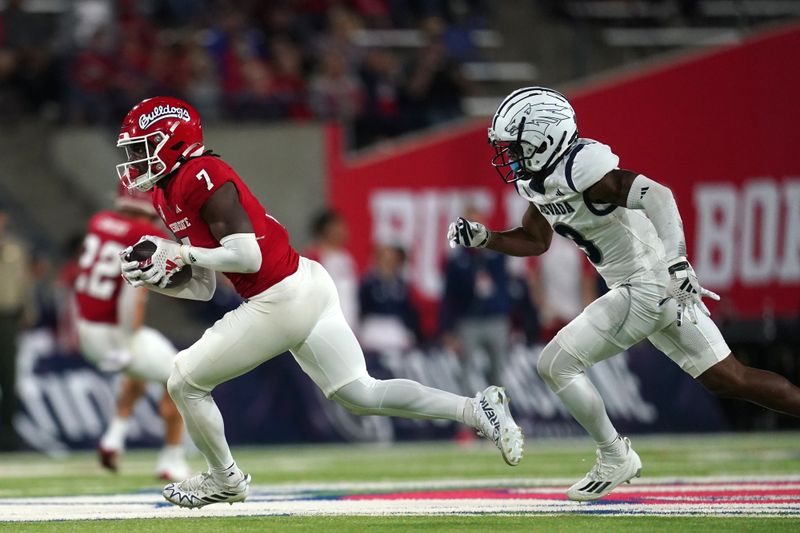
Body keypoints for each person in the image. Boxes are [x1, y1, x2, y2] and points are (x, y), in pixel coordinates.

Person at [114, 96, 524, 509]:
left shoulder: (200, 173)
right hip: (303, 284)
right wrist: (157, 277)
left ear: (172, 142)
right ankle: (477, 410)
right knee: (360, 393)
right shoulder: (169, 193)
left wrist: (180, 254)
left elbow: (247, 257)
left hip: (279, 296)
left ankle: (225, 479)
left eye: (140, 148)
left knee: (185, 379)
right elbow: (202, 286)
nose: (134, 161)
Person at [448, 86, 800, 502]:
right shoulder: (540, 180)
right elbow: (534, 239)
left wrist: (678, 260)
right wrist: (486, 238)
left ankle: (615, 455)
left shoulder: (584, 168)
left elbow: (658, 195)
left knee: (555, 364)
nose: (511, 157)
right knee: (730, 379)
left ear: (544, 138)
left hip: (647, 285)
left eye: (518, 146)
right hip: (652, 288)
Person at [74, 184, 189, 480]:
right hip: (115, 335)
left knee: (143, 369)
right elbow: (132, 296)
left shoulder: (99, 222)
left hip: (87, 328)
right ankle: (172, 458)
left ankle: (112, 439)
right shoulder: (143, 236)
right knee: (181, 375)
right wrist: (126, 341)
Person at [440, 206, 512, 388]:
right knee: (465, 371)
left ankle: (499, 411)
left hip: (495, 319)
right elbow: (449, 295)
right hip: (468, 320)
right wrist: (447, 329)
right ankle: (464, 414)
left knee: (498, 371)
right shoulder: (457, 259)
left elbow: (505, 285)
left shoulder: (496, 253)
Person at [0, 209, 33, 451]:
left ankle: (9, 435)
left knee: (8, 377)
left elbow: (24, 282)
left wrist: (29, 308)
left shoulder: (16, 249)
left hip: (8, 318)